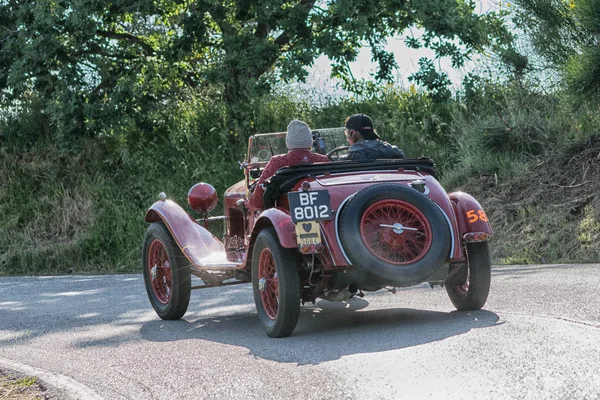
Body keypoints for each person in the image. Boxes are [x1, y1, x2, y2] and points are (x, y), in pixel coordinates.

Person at [247, 120, 328, 211]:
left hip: (286, 218)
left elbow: (257, 202)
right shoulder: (323, 160)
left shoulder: (277, 162)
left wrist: (248, 202)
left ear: (288, 142)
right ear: (310, 141)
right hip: (322, 213)